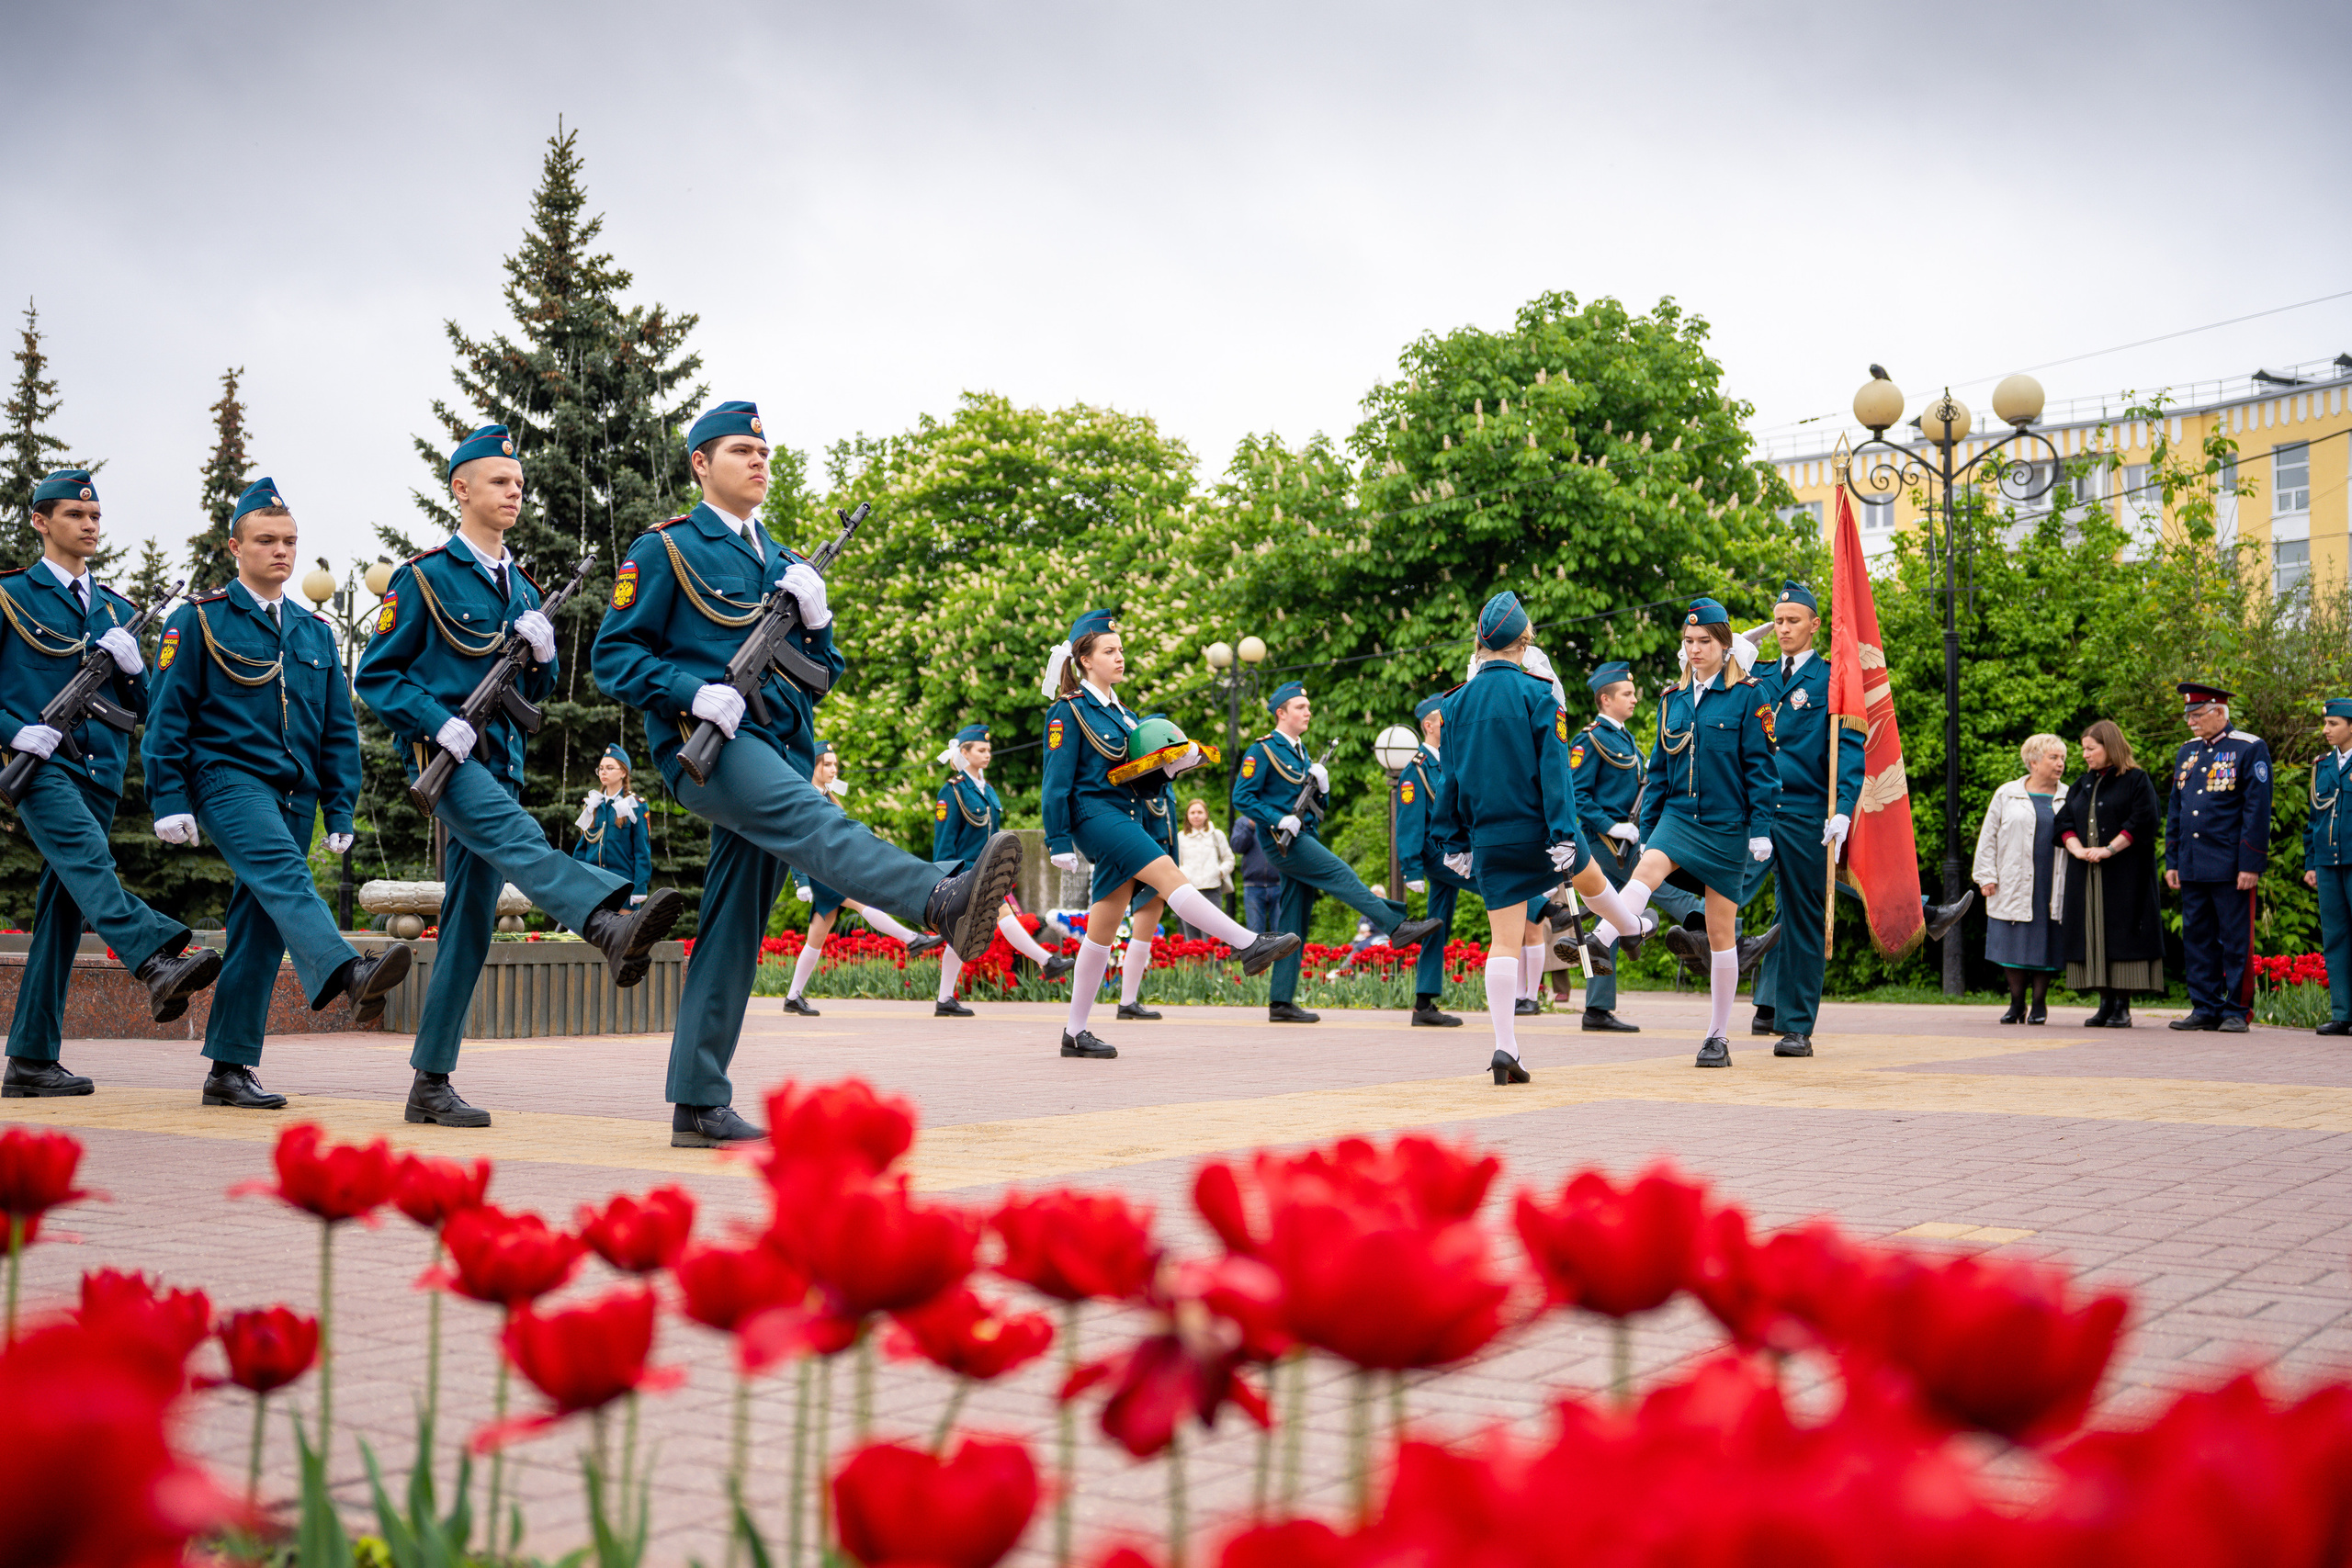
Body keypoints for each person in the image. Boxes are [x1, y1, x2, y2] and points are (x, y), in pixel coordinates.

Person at [593, 400, 1021, 1142]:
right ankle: (938, 896)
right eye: (738, 451)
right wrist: (692, 691)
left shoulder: (783, 557)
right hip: (708, 747)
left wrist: (818, 624)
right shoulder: (665, 549)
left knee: (733, 924)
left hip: (781, 747)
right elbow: (614, 656)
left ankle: (697, 1099)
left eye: (763, 452)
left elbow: (822, 675)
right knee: (815, 823)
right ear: (700, 464)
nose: (758, 462)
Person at [357, 425, 679, 1130]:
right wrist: (433, 720)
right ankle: (603, 919)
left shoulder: (524, 586)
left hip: (500, 763)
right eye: (501, 481)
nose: (515, 492)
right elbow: (375, 675)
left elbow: (528, 691)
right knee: (523, 839)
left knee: (469, 925)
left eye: (520, 484)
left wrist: (541, 654)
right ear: (461, 488)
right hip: (449, 765)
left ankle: (430, 1083)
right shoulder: (425, 577)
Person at [145, 479, 410, 1110]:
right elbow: (167, 714)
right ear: (235, 545)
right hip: (226, 779)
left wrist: (340, 804)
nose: (280, 551)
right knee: (289, 878)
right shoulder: (200, 618)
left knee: (261, 923)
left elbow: (338, 730)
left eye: (289, 541)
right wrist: (168, 797)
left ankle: (229, 1068)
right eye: (266, 540)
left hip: (294, 795)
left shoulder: (315, 632)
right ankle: (349, 971)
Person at [2, 469, 221, 1098]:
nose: (90, 525)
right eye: (75, 515)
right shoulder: (11, 596)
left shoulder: (119, 610)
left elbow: (148, 706)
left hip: (99, 772)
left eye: (95, 516)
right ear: (41, 522)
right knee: (91, 863)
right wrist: (14, 731)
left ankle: (31, 1059)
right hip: (42, 767)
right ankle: (154, 959)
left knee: (63, 913)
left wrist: (131, 669)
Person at [1041, 609, 1298, 1057]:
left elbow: (1135, 778)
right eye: (1109, 651)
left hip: (1125, 812)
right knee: (1167, 874)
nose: (1120, 657)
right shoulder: (1068, 712)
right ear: (1084, 659)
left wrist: (1172, 765)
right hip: (1093, 816)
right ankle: (1247, 943)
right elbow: (1056, 782)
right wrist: (1058, 840)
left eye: (1120, 649)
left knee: (1101, 927)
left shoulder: (1124, 714)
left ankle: (1074, 1033)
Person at [1432, 591, 1661, 1084]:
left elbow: (1449, 779)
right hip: (1541, 831)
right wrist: (1562, 833)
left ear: (1480, 643)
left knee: (1503, 943)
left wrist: (1451, 841)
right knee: (1594, 879)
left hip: (1488, 839)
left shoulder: (1453, 703)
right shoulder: (1539, 694)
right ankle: (1629, 927)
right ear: (1525, 641)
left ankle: (1505, 1050)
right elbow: (1554, 774)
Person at [1590, 596, 1779, 1068]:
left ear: (1724, 644)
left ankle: (1717, 1037)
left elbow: (1761, 769)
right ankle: (1604, 936)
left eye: (1704, 642)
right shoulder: (1671, 700)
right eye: (1689, 642)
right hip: (1679, 815)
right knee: (1648, 866)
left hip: (1727, 825)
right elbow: (1658, 771)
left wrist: (1761, 829)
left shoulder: (1750, 695)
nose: (1695, 650)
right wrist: (1650, 828)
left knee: (1719, 933)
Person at [1233, 680, 1446, 1025]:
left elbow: (1316, 806)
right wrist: (1278, 818)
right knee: (1340, 874)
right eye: (1300, 708)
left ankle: (1281, 1001)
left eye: (1307, 707)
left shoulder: (1300, 752)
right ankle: (1395, 926)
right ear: (1281, 713)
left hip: (1303, 834)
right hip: (1281, 841)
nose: (1308, 712)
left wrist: (1324, 788)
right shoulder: (1263, 750)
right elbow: (1242, 797)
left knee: (1294, 917)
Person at [1723, 583, 1866, 1059]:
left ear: (1814, 625)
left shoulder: (1832, 680)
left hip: (1805, 813)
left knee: (1804, 922)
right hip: (1755, 812)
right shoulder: (1757, 676)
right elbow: (1710, 689)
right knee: (1722, 890)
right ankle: (1731, 949)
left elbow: (1848, 749)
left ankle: (1795, 1026)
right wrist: (1738, 646)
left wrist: (1844, 809)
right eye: (1778, 621)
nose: (1783, 629)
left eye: (1792, 620)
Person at [1568, 660, 1707, 1032]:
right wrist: (1611, 825)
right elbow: (1577, 795)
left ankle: (1596, 1009)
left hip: (1626, 843)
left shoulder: (1626, 738)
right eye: (1626, 694)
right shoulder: (1590, 739)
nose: (1634, 698)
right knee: (1666, 887)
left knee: (1609, 922)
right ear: (1605, 699)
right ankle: (1727, 932)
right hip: (1605, 846)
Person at [782, 740, 941, 1016]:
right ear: (814, 765)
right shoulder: (807, 796)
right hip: (822, 873)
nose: (833, 770)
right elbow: (796, 839)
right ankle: (911, 939)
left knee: (815, 939)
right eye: (827, 764)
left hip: (831, 870)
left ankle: (793, 996)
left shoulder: (827, 796)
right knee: (862, 901)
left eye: (835, 765)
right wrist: (801, 881)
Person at [927, 720, 1076, 1014]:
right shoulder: (952, 791)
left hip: (988, 870)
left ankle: (945, 999)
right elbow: (944, 843)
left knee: (960, 934)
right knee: (1003, 915)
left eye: (989, 750)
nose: (987, 755)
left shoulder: (988, 790)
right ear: (965, 754)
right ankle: (1047, 962)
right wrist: (947, 878)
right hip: (967, 871)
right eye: (981, 750)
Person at [2163, 682, 2272, 1033]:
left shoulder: (2248, 748)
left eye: (2197, 715)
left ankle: (2237, 1009)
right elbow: (2176, 810)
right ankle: (2204, 1006)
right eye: (2189, 716)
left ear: (2219, 712)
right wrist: (2173, 861)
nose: (2191, 723)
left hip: (2230, 863)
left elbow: (2256, 812)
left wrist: (2251, 864)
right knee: (2197, 937)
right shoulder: (2188, 752)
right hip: (2193, 862)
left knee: (2236, 938)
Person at [2057, 719, 2165, 1028]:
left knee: (2122, 933)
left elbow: (2143, 820)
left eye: (2091, 749)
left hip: (2124, 875)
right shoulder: (2082, 783)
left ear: (2110, 746)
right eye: (2084, 750)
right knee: (2093, 933)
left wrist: (2109, 850)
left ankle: (2122, 1006)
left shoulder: (2136, 780)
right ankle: (2104, 1003)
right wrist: (2077, 850)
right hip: (2087, 874)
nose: (2085, 755)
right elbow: (2063, 822)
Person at [1973, 734, 2069, 1023]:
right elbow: (1988, 837)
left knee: (2046, 940)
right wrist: (1986, 875)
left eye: (2062, 758)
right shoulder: (2006, 793)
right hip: (2011, 879)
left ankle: (2039, 1004)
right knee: (2011, 940)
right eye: (2053, 758)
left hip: (2052, 880)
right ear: (2033, 761)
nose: (2060, 764)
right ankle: (2016, 1003)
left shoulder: (2070, 794)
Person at [1396, 690, 1468, 1026]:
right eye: (1445, 717)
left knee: (1437, 925)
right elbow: (1409, 823)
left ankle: (1423, 1005)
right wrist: (1411, 868)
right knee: (1491, 881)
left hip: (1453, 849)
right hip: (1436, 853)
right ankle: (1548, 909)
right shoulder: (1417, 769)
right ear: (1429, 724)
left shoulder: (1448, 762)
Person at [2303, 699, 2352, 1036]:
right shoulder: (2323, 765)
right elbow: (2314, 820)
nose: (2326, 730)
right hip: (2329, 863)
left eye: (2333, 723)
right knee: (2335, 938)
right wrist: (2311, 863)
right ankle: (2343, 1013)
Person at [571, 743, 651, 901]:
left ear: (623, 772)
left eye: (609, 768)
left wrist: (640, 887)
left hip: (623, 887)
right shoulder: (592, 804)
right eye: (601, 768)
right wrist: (576, 880)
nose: (603, 772)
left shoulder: (635, 805)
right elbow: (582, 847)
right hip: (593, 887)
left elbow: (642, 850)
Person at [1174, 798, 1236, 937]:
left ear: (1206, 814)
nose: (1196, 816)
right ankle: (1193, 960)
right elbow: (1175, 863)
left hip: (1211, 890)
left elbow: (1229, 859)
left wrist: (1219, 872)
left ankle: (1214, 960)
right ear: (1187, 816)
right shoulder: (1180, 837)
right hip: (1188, 891)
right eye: (1192, 812)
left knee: (1213, 934)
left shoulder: (1216, 835)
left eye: (1200, 812)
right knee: (1192, 936)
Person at [1227, 811, 1282, 934]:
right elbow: (1236, 847)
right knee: (1255, 934)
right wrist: (1250, 826)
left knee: (1281, 934)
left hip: (1279, 884)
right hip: (1253, 886)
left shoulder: (1278, 819)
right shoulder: (1243, 822)